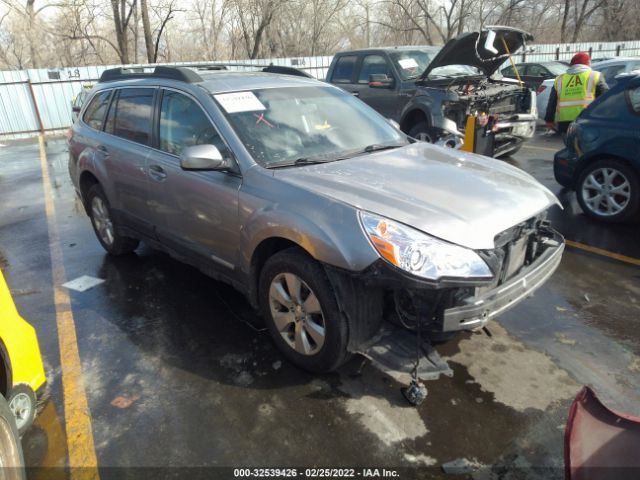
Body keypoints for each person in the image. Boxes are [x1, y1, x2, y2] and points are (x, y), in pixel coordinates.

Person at [545, 52, 608, 134]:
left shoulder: (560, 79)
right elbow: (605, 97)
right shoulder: (595, 76)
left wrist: (549, 120)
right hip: (587, 119)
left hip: (564, 122)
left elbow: (552, 102)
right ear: (587, 63)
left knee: (569, 144)